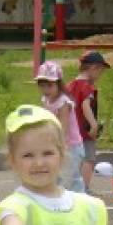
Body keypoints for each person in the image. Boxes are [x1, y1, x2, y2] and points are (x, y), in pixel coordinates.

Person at [34, 60, 85, 193]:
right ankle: (57, 202)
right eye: (42, 86)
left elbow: (63, 127)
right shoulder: (45, 100)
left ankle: (80, 203)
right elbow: (45, 119)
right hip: (56, 144)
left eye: (49, 86)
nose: (45, 90)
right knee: (56, 176)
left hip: (71, 146)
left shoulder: (63, 102)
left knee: (72, 177)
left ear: (58, 84)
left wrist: (56, 144)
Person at [66, 50, 111, 194]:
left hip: (71, 130)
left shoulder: (71, 85)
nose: (100, 75)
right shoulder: (87, 87)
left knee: (75, 159)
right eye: (100, 71)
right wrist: (94, 124)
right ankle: (84, 188)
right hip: (84, 131)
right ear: (93, 68)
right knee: (89, 159)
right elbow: (85, 106)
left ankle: (72, 187)